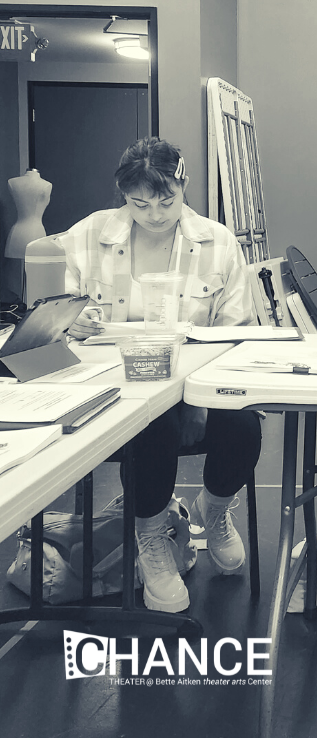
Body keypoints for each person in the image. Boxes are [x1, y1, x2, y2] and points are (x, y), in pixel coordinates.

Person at [61, 137, 262, 613]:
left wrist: (199, 399)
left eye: (166, 200)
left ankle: (215, 510)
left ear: (183, 185)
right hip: (116, 389)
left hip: (198, 381)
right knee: (151, 425)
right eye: (139, 203)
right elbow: (54, 307)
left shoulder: (218, 242)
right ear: (122, 194)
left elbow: (235, 334)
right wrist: (70, 317)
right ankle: (150, 537)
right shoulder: (88, 235)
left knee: (244, 424)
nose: (154, 213)